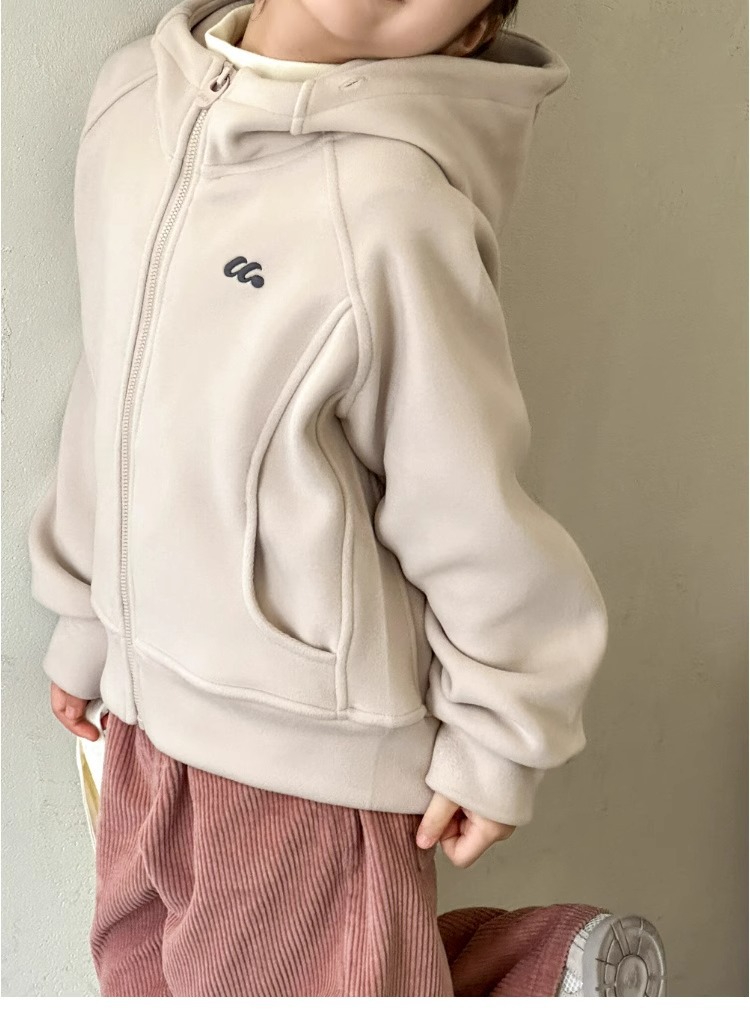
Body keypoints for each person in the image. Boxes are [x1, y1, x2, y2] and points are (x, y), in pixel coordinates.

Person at [28, 0, 609, 997]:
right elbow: (108, 383)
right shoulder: (129, 102)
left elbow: (464, 499)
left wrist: (501, 730)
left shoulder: (394, 205)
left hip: (305, 757)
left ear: (469, 30)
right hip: (137, 719)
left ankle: (536, 970)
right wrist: (83, 611)